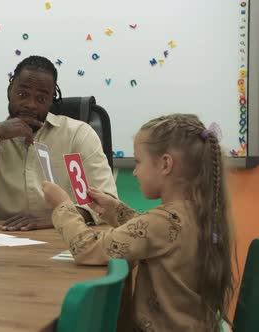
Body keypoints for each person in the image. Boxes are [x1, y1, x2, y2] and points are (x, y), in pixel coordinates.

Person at [43, 114, 235, 331]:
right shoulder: (195, 213)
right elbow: (147, 229)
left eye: (138, 162)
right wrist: (111, 209)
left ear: (165, 164)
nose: (134, 172)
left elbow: (87, 248)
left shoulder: (162, 222)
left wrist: (63, 206)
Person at [0, 55, 117, 230]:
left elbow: (108, 205)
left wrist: (59, 216)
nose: (30, 105)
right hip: (10, 238)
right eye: (22, 94)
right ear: (9, 91)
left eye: (41, 99)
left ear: (51, 101)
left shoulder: (78, 135)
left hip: (70, 237)